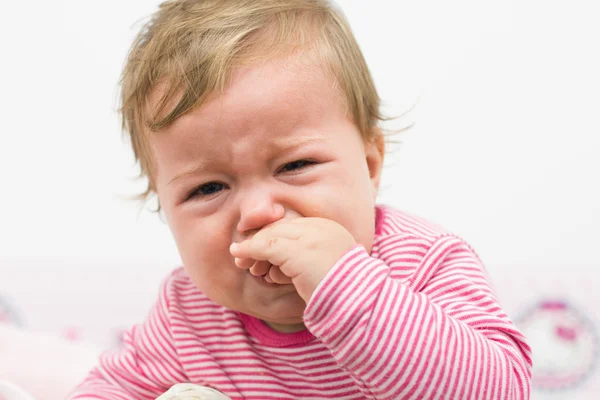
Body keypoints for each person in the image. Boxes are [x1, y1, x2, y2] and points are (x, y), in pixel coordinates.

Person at [69, 0, 532, 398]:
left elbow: (501, 390)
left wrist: (346, 287)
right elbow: (109, 389)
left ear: (370, 165)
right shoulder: (188, 316)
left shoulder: (425, 264)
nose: (257, 213)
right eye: (207, 189)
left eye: (294, 166)